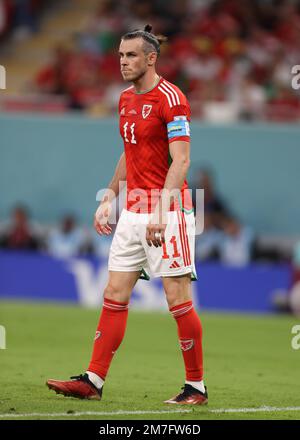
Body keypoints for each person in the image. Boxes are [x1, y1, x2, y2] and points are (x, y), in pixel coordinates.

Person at [46, 24, 208, 405]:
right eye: (120, 55)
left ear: (151, 58)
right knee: (114, 294)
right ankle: (93, 380)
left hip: (169, 211)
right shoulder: (124, 100)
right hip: (133, 212)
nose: (123, 61)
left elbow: (182, 161)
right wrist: (109, 196)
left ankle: (195, 387)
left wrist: (161, 210)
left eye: (131, 55)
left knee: (177, 297)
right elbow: (129, 151)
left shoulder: (173, 98)